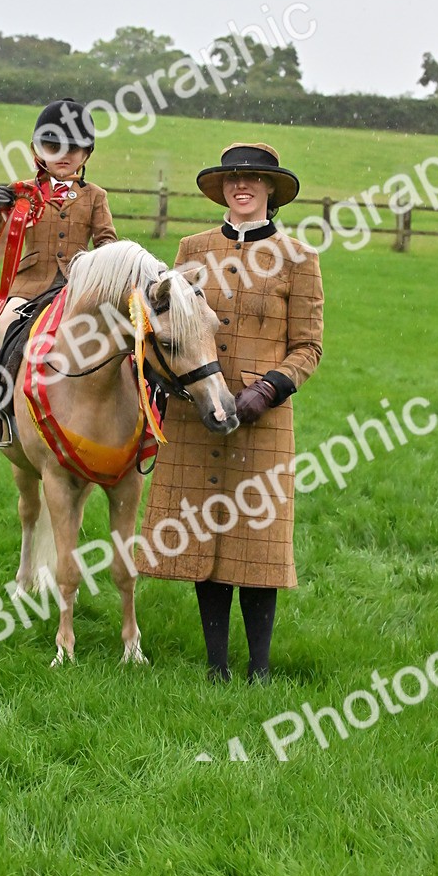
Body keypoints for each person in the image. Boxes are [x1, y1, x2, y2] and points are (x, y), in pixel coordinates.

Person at [134, 143, 324, 682]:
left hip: (264, 418)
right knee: (203, 539)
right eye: (233, 179)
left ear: (270, 191)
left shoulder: (299, 257)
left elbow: (308, 345)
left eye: (254, 180)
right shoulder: (191, 249)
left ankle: (259, 669)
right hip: (195, 414)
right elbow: (164, 325)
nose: (242, 187)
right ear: (221, 189)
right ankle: (216, 666)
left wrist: (267, 390)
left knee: (257, 542)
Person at [0, 98, 117, 446]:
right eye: (53, 146)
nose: (63, 154)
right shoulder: (23, 190)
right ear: (38, 150)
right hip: (31, 282)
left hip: (76, 286)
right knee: (3, 323)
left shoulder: (96, 196)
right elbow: (2, 228)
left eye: (73, 147)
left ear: (87, 153)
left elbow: (107, 240)